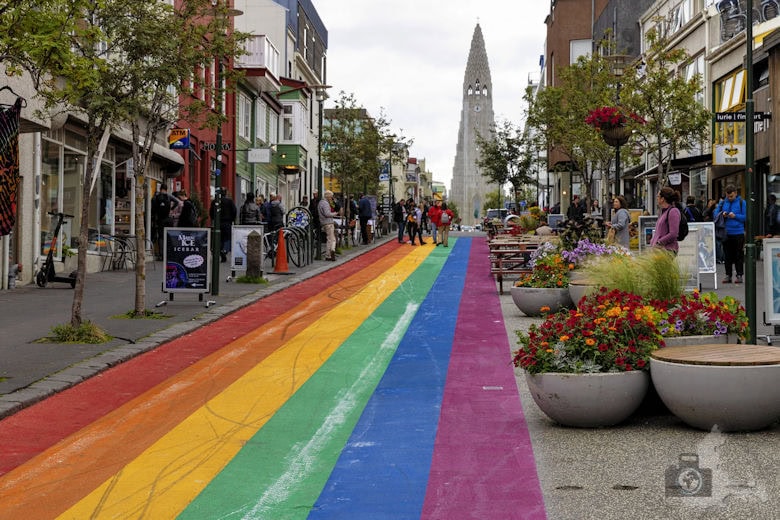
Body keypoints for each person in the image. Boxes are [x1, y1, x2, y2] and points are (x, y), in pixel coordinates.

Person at [714, 185, 746, 283]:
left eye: (731, 196)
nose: (730, 198)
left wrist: (735, 216)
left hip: (738, 232)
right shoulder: (723, 202)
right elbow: (715, 214)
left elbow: (745, 217)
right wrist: (722, 214)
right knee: (727, 255)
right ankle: (728, 275)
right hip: (726, 232)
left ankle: (739, 275)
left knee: (738, 255)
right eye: (728, 196)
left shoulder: (742, 202)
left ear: (735, 193)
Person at [650, 187, 682, 254]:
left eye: (658, 196)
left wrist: (659, 242)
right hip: (659, 250)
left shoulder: (673, 211)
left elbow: (673, 233)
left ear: (662, 199)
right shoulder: (663, 212)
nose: (657, 198)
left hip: (667, 250)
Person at [209, 189, 238, 263]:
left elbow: (211, 212)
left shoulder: (215, 201)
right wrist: (233, 220)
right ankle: (224, 250)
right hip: (227, 222)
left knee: (219, 238)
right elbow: (234, 211)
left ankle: (220, 250)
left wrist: (214, 219)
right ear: (225, 193)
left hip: (218, 223)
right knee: (227, 238)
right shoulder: (230, 201)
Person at [152, 184, 177, 260]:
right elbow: (177, 201)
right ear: (166, 189)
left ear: (160, 188)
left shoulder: (157, 196)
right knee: (169, 236)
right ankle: (169, 253)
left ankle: (161, 255)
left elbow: (153, 206)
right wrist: (172, 208)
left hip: (160, 220)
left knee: (161, 237)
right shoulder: (169, 196)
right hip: (168, 219)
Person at [318, 190, 340, 261]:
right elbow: (327, 214)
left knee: (330, 239)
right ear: (328, 196)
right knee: (331, 239)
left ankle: (330, 252)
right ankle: (330, 252)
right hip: (328, 223)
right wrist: (335, 213)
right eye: (331, 196)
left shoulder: (321, 202)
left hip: (324, 222)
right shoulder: (325, 203)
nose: (331, 198)